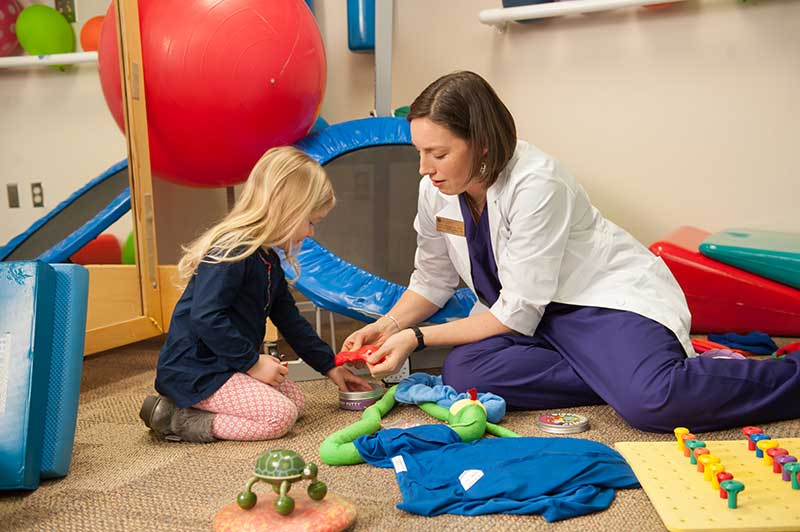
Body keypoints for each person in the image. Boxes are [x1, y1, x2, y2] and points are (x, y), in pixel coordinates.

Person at [343, 71, 800, 433]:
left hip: (599, 305)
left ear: (481, 143)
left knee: (655, 403)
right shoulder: (435, 191)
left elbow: (515, 316)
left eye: (437, 154)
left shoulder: (537, 182)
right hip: (536, 319)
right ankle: (621, 376)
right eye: (419, 152)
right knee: (465, 372)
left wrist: (417, 339)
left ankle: (780, 377)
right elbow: (432, 280)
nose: (425, 169)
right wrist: (386, 327)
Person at [140, 146, 371, 442]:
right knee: (279, 417)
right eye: (310, 222)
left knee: (297, 405)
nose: (311, 233)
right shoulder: (231, 251)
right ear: (285, 209)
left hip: (228, 364)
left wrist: (330, 367)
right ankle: (177, 417)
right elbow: (206, 317)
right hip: (196, 371)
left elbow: (291, 321)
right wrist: (253, 363)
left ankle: (193, 407)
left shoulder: (268, 259)